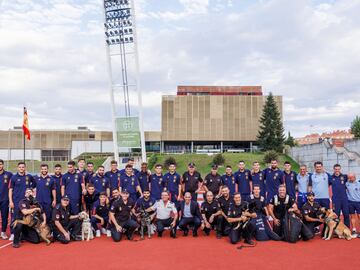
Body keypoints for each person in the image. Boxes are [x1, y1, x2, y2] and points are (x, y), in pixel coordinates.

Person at [9, 162, 34, 240]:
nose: (21, 168)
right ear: (17, 168)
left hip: (26, 202)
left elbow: (34, 184)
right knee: (14, 217)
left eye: (23, 167)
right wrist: (11, 201)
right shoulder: (13, 177)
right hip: (16, 201)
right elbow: (10, 190)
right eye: (20, 167)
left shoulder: (29, 176)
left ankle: (23, 234)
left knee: (25, 218)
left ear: (25, 168)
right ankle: (13, 233)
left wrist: (30, 189)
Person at [0, 159, 13, 239]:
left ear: (3, 165)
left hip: (4, 199)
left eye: (0, 164)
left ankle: (3, 232)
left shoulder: (9, 174)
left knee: (4, 216)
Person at [346, 173, 360, 237]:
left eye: (352, 177)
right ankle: (354, 230)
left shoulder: (358, 183)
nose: (350, 178)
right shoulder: (347, 183)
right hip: (350, 202)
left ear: (354, 177)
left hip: (358, 202)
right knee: (352, 216)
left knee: (359, 216)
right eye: (349, 177)